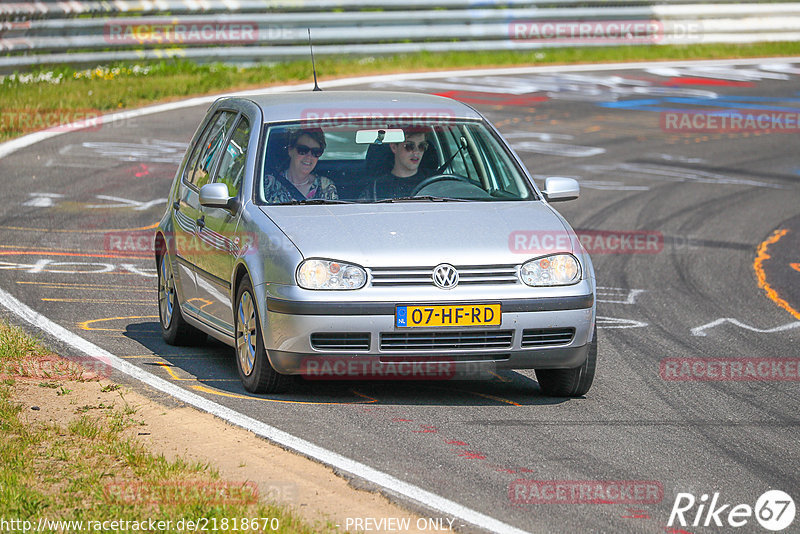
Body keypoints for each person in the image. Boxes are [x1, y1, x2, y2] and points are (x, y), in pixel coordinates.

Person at [263, 128, 338, 203]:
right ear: (290, 150)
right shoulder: (269, 184)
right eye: (303, 150)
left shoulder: (326, 186)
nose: (309, 156)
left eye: (316, 152)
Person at [360, 129, 432, 201]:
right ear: (394, 147)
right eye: (409, 146)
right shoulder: (375, 188)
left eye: (422, 146)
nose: (416, 152)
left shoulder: (435, 182)